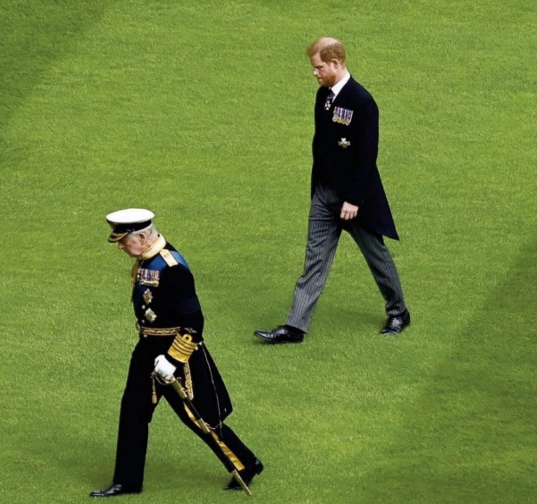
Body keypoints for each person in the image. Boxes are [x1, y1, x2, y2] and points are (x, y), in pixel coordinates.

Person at [91, 208, 262, 497]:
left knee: (199, 418)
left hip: (178, 355)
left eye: (124, 241)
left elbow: (194, 323)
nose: (120, 246)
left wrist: (172, 359)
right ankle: (128, 480)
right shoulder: (145, 261)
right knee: (133, 411)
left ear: (143, 237)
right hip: (147, 349)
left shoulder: (172, 269)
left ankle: (245, 463)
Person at [254, 37, 410, 344]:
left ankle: (399, 312)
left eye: (319, 67)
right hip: (324, 196)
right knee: (314, 260)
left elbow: (367, 155)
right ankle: (295, 327)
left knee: (376, 256)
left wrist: (353, 198)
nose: (315, 73)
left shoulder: (362, 101)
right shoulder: (324, 96)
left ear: (336, 63)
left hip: (354, 200)